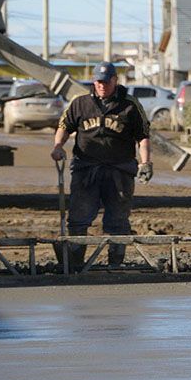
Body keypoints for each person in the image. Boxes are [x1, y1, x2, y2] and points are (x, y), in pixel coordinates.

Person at [50, 61, 152, 269]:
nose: (102, 86)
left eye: (106, 81)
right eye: (98, 82)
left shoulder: (130, 105)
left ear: (115, 80)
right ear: (93, 82)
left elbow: (143, 136)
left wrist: (146, 162)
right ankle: (76, 262)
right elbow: (64, 126)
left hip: (119, 170)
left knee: (118, 220)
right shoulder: (80, 103)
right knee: (79, 217)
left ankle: (115, 263)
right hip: (86, 169)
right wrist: (58, 145)